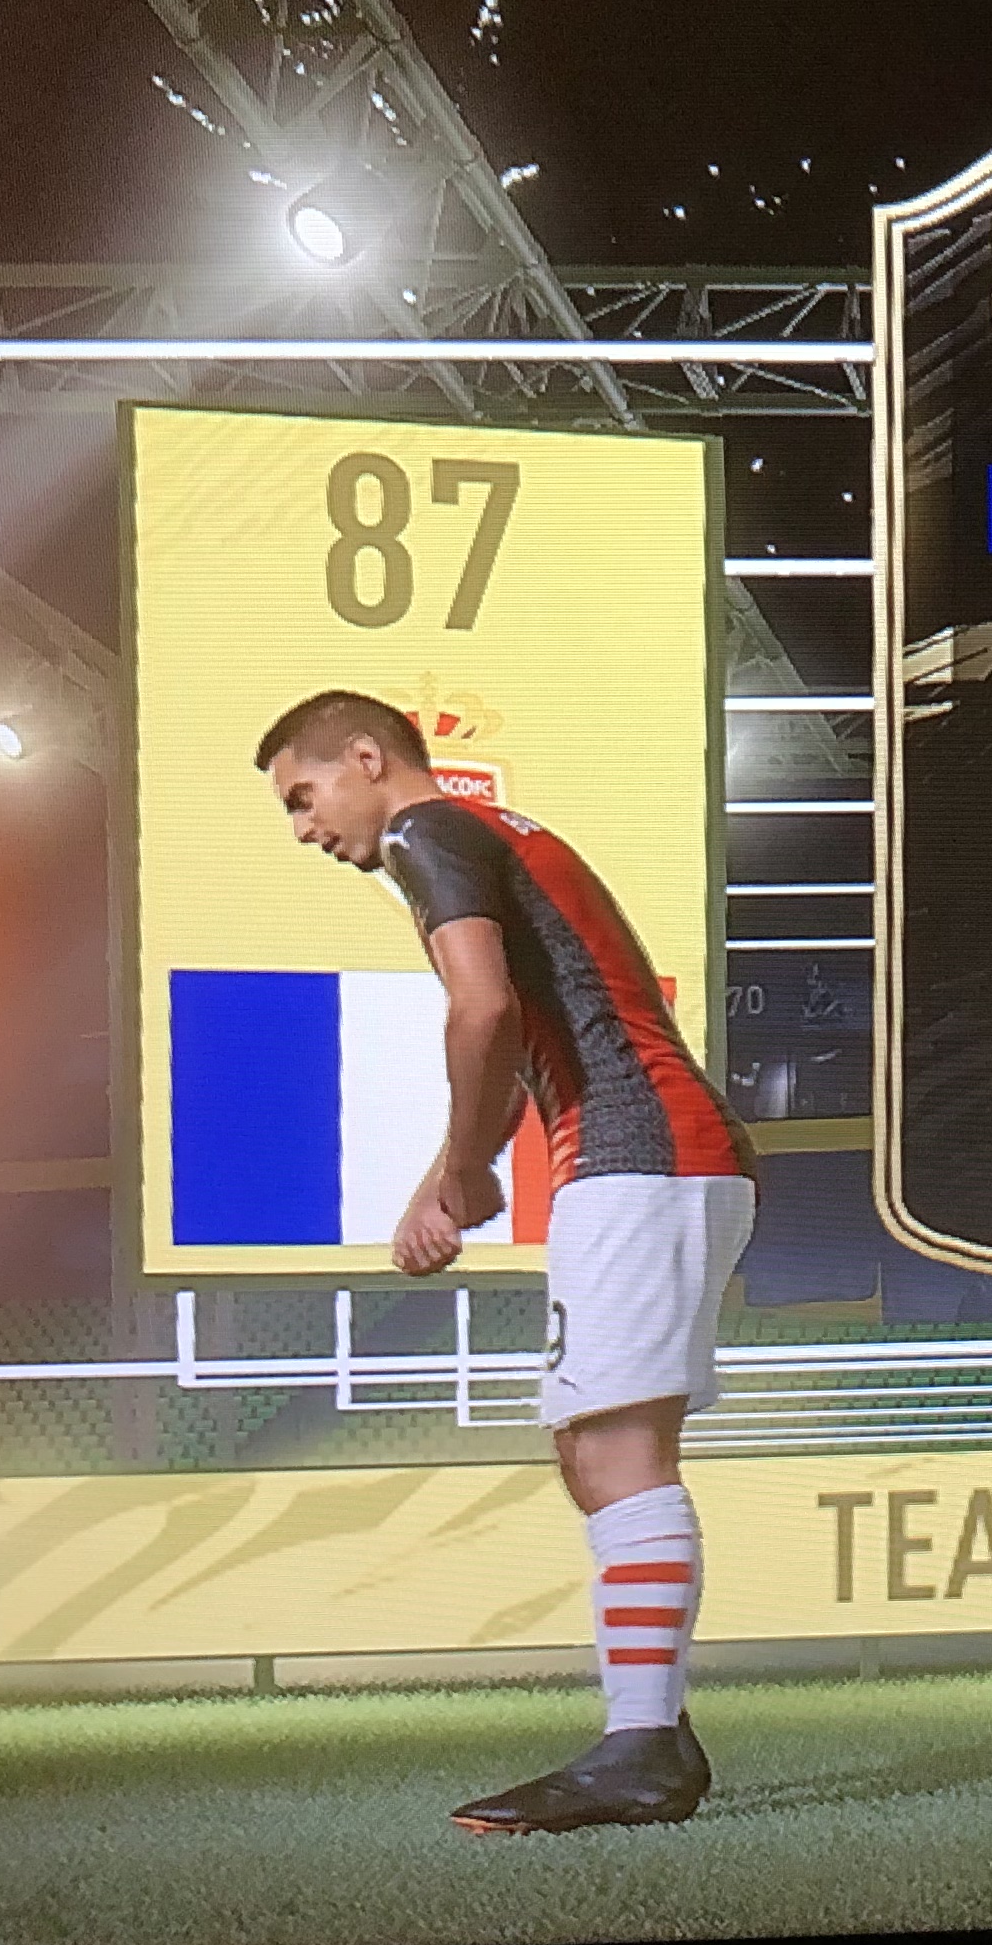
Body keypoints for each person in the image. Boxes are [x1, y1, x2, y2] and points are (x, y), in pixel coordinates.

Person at [254, 691, 755, 1833]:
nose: (304, 827)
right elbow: (520, 1020)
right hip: (646, 1153)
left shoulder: (428, 832)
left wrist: (466, 1169)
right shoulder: (489, 835)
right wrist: (457, 1169)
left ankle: (641, 1751)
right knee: (591, 1447)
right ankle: (653, 1731)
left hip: (642, 1153)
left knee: (617, 1450)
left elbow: (480, 1012)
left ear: (368, 758)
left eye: (304, 796)